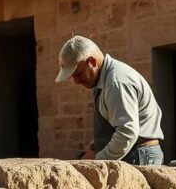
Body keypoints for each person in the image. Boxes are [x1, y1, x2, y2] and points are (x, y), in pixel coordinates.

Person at [55, 36, 164, 165]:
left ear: (92, 62)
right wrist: (93, 146)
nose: (76, 81)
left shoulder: (115, 83)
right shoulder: (104, 80)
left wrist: (96, 160)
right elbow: (114, 124)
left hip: (138, 156)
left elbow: (127, 132)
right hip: (133, 153)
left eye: (78, 74)